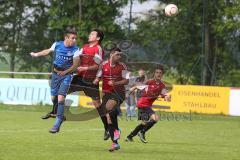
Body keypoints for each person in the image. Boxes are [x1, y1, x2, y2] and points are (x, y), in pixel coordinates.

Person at [30, 27, 80, 133]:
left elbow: (76, 65)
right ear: (66, 38)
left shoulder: (76, 49)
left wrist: (66, 72)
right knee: (54, 98)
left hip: (67, 75)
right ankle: (57, 113)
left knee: (61, 98)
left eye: (75, 38)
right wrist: (36, 54)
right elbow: (47, 51)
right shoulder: (57, 44)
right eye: (73, 38)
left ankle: (57, 124)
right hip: (55, 74)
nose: (74, 40)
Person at [93, 47, 129, 152]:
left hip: (118, 93)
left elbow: (126, 81)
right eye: (118, 55)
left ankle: (113, 131)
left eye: (120, 55)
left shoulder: (122, 66)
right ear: (112, 54)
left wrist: (115, 83)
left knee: (108, 109)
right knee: (110, 117)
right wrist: (96, 80)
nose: (120, 57)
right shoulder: (103, 65)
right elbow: (98, 77)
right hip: (106, 94)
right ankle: (115, 142)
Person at [125, 65, 171, 143]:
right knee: (155, 118)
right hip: (143, 103)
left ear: (162, 74)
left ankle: (129, 137)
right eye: (157, 72)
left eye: (160, 73)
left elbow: (164, 93)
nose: (158, 74)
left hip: (146, 105)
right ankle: (142, 132)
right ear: (154, 74)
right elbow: (138, 86)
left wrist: (167, 96)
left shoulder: (162, 85)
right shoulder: (149, 81)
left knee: (144, 123)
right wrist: (131, 90)